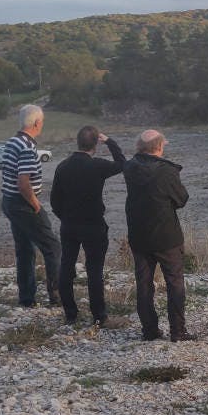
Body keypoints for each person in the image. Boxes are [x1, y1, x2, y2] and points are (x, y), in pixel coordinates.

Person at [50, 126, 127, 328]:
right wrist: (110, 141)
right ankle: (99, 316)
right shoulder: (97, 166)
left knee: (66, 267)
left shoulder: (62, 166)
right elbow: (122, 164)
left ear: (77, 142)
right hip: (93, 224)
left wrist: (65, 217)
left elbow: (54, 201)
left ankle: (70, 314)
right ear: (95, 144)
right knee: (94, 271)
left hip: (69, 225)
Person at [123, 129, 195, 342]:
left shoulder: (129, 168)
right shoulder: (167, 171)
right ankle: (177, 331)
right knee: (174, 283)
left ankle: (150, 330)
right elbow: (181, 200)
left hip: (139, 235)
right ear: (160, 146)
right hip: (167, 236)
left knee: (144, 284)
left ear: (139, 147)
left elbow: (126, 161)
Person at [1, 104, 61, 308]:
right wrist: (35, 204)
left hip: (9, 201)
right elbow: (23, 182)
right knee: (52, 246)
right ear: (37, 123)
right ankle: (57, 295)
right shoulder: (27, 147)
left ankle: (26, 298)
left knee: (25, 249)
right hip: (23, 204)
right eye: (42, 121)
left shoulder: (12, 142)